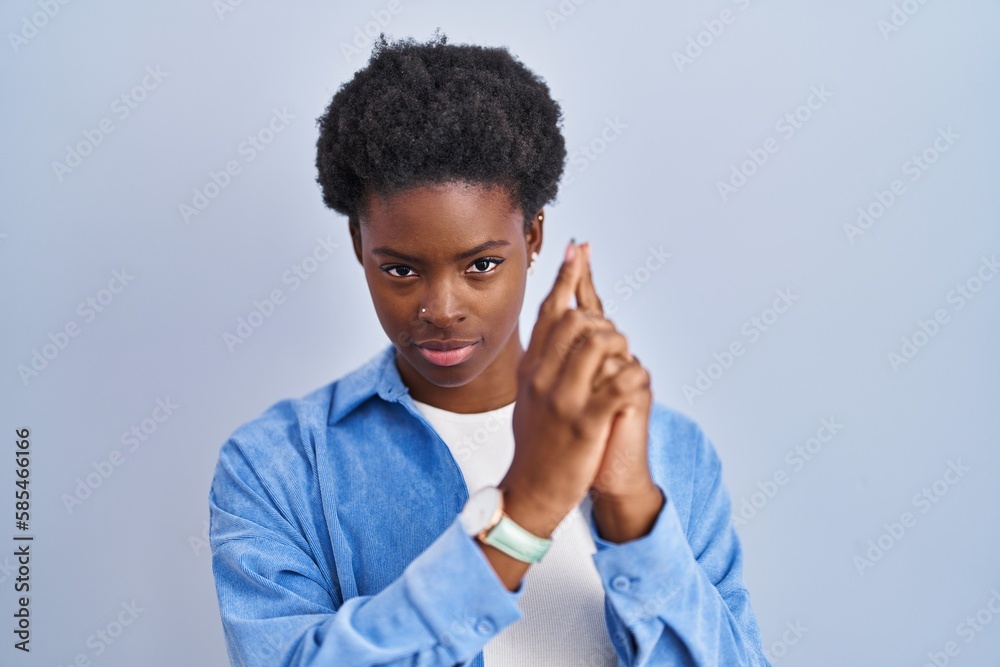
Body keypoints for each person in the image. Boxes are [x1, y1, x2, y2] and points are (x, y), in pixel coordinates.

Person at [208, 30, 771, 666]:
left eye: (480, 265)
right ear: (358, 245)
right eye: (399, 270)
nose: (442, 308)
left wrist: (627, 508)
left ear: (532, 237)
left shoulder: (672, 453)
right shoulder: (279, 467)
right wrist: (524, 511)